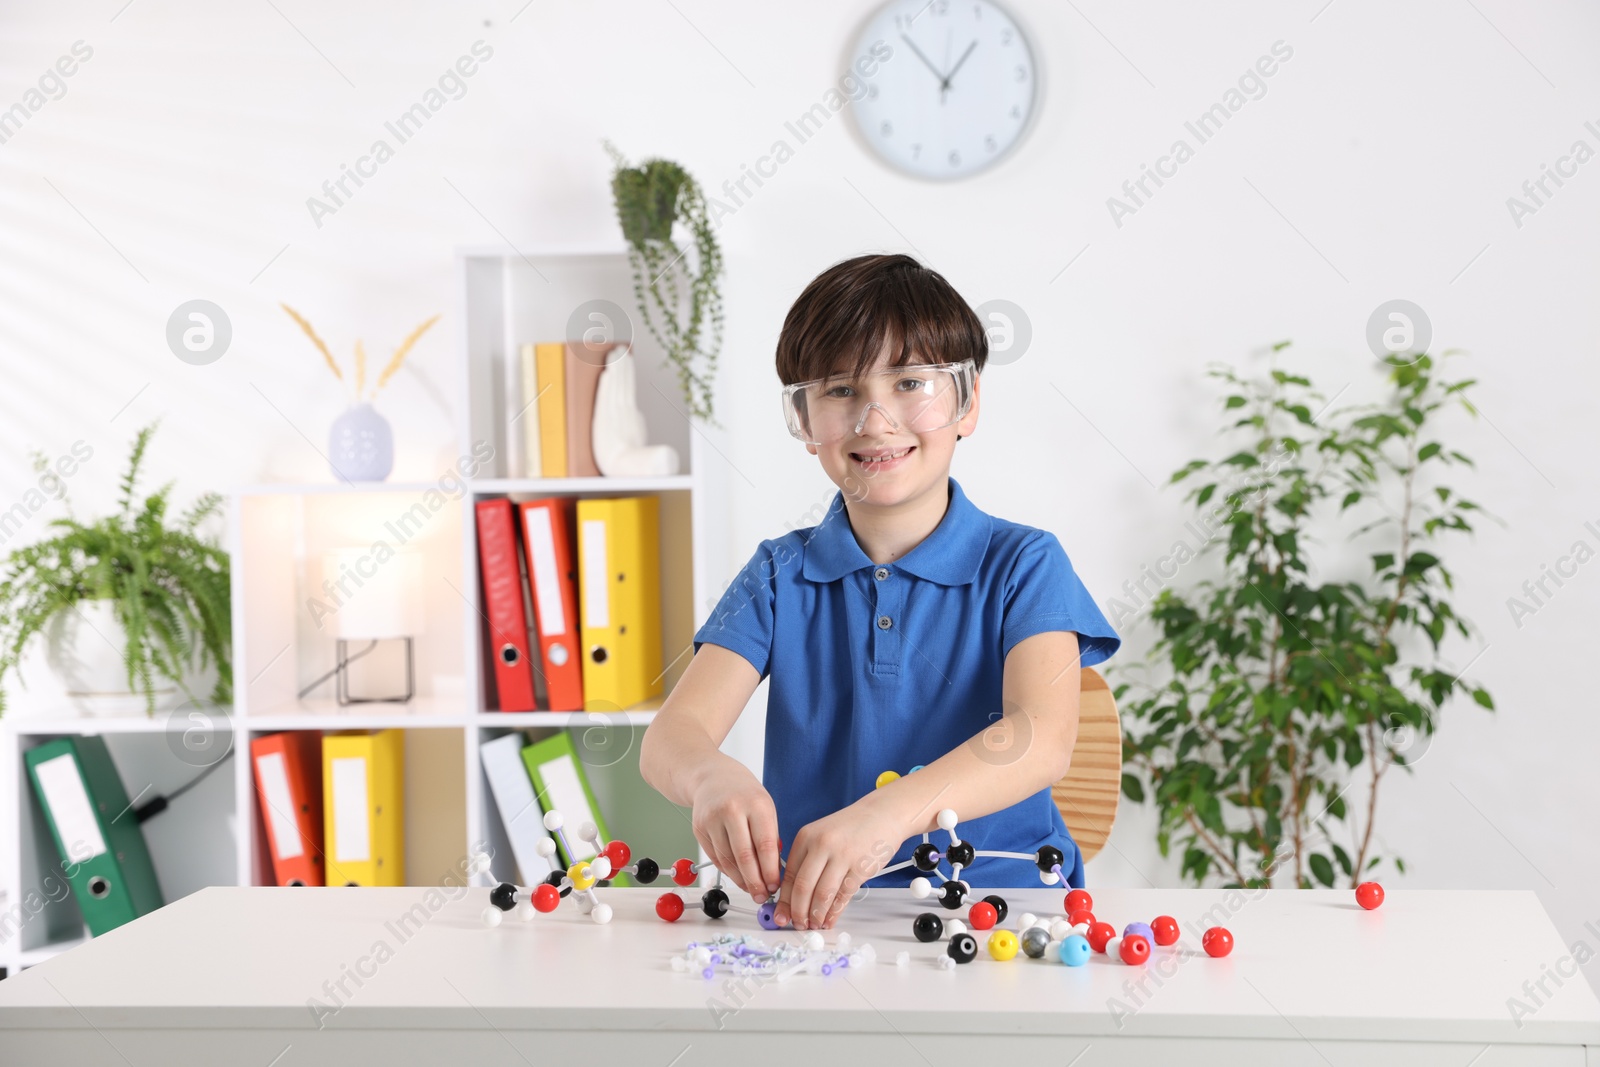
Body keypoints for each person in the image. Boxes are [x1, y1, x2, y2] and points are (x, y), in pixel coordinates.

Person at [639, 253, 1119, 932]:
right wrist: (710, 777)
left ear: (968, 403)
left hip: (1005, 915)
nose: (875, 418)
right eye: (840, 389)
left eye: (911, 382)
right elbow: (671, 738)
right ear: (805, 422)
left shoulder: (1024, 563)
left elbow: (1041, 738)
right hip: (825, 918)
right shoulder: (780, 572)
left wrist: (887, 815)